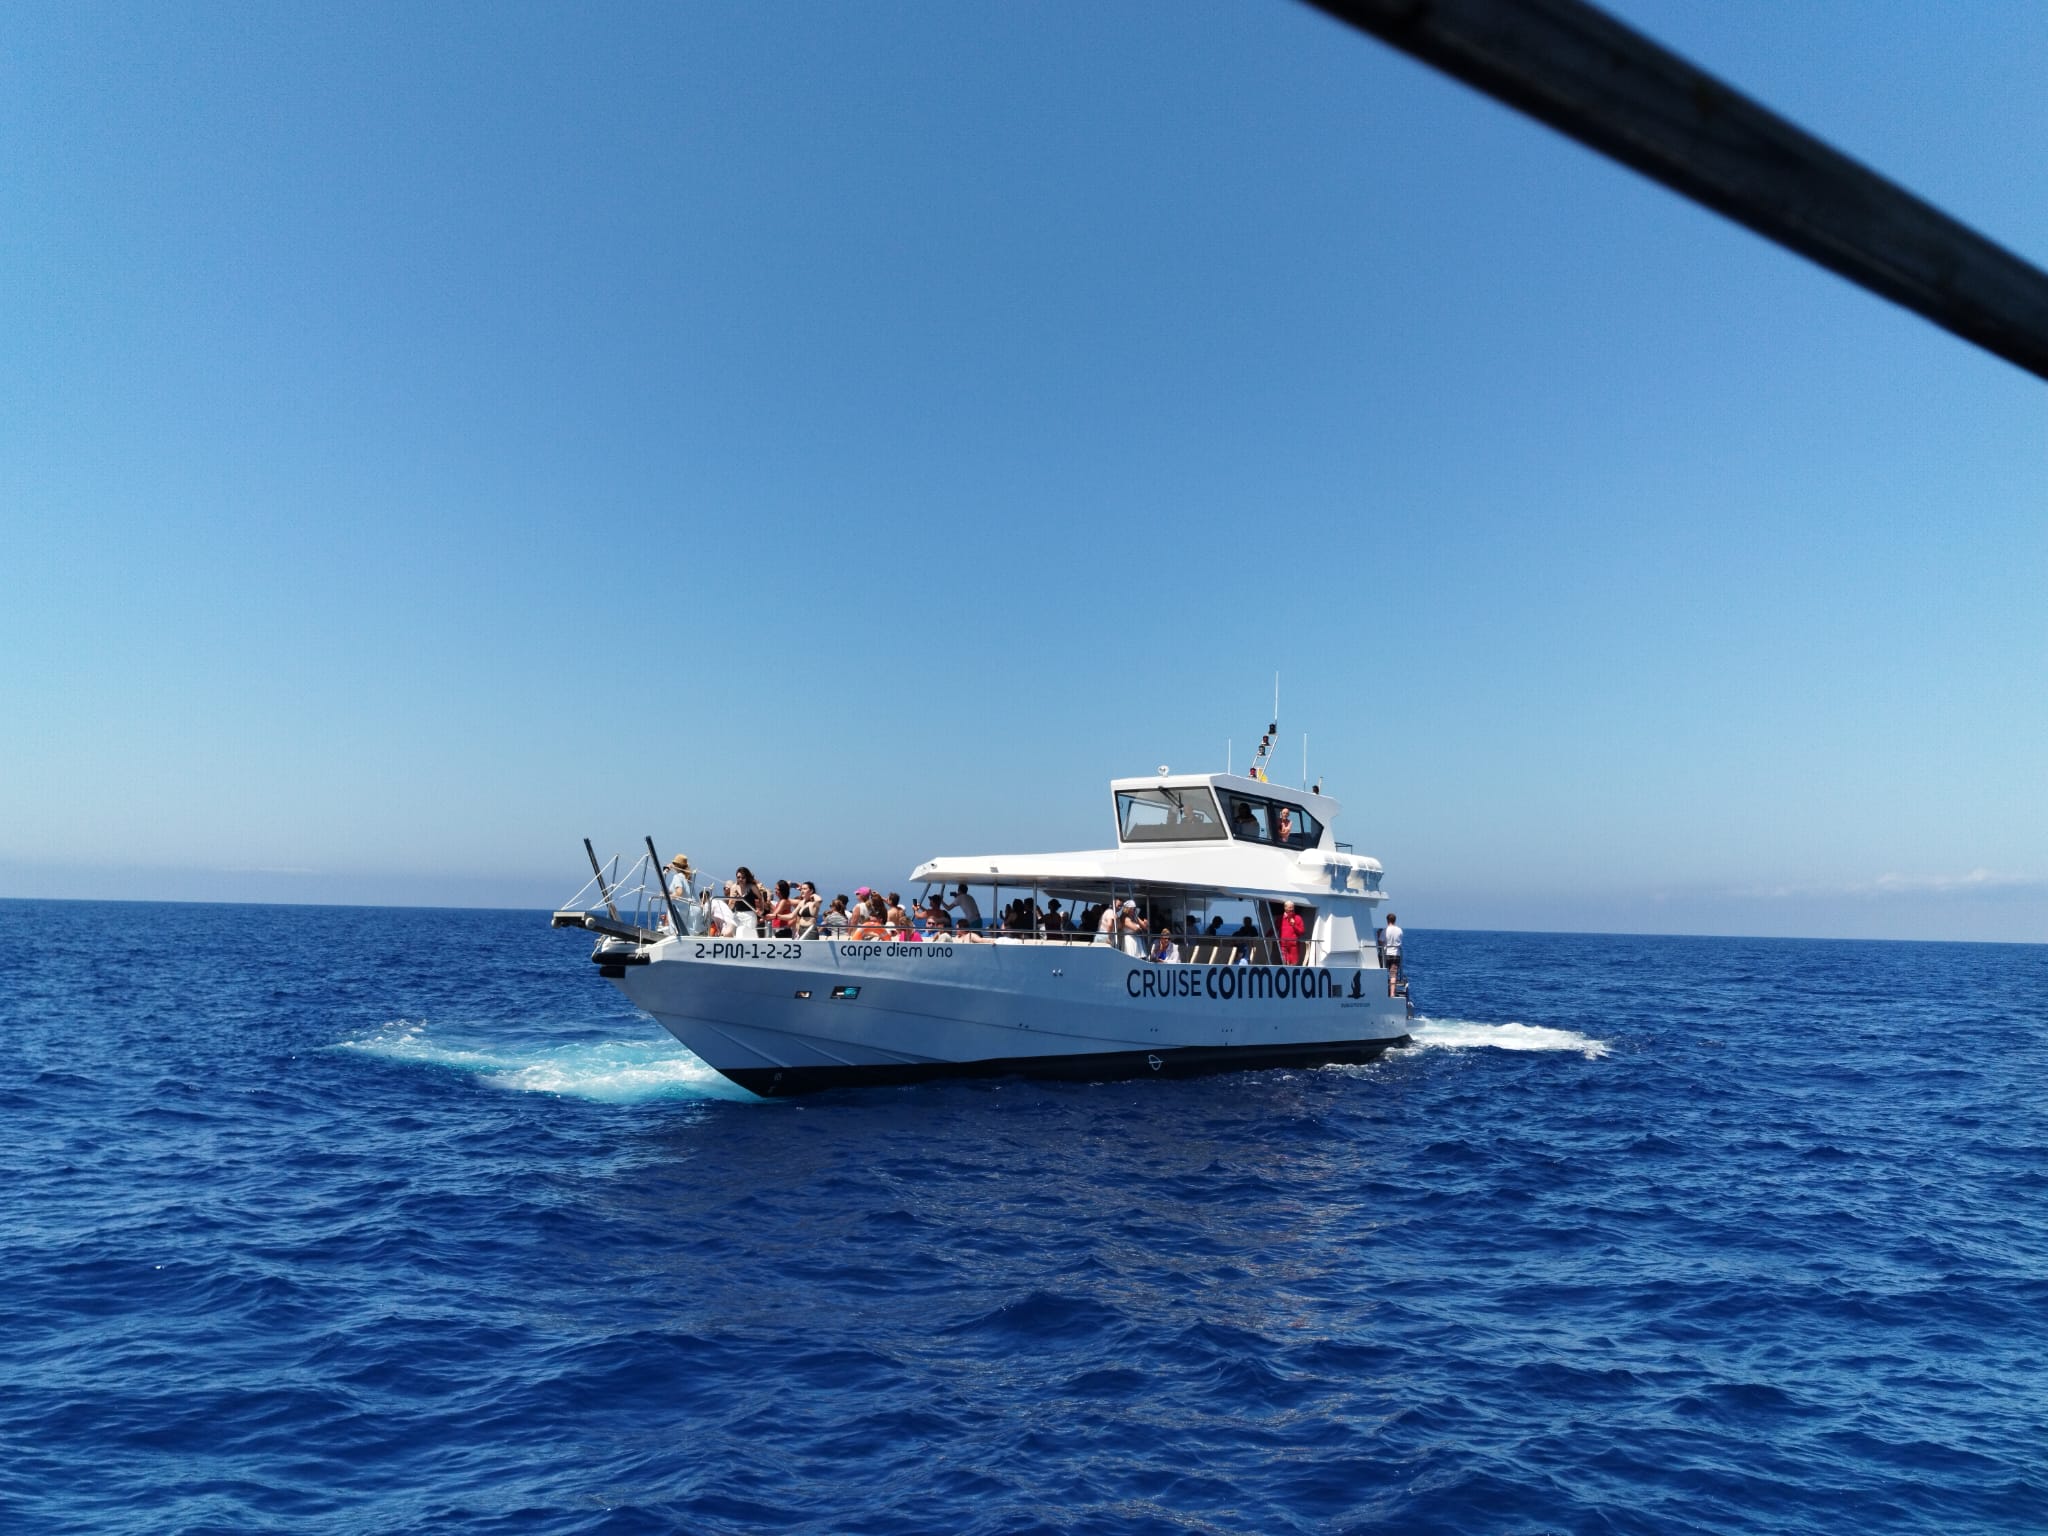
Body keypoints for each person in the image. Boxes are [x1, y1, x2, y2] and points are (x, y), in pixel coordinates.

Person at [1276, 899, 1306, 966]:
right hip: (1283, 946)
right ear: (1285, 908)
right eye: (1290, 907)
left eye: (1292, 907)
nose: (1292, 909)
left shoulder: (1298, 918)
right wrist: (1265, 937)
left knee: (1293, 965)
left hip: (1294, 946)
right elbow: (1274, 929)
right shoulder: (1280, 918)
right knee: (1284, 964)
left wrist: (1294, 925)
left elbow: (1302, 932)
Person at [1382, 912, 1403, 995]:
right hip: (1396, 954)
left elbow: (1380, 942)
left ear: (1387, 920)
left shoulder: (1385, 930)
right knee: (1393, 975)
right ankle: (1392, 994)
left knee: (1383, 972)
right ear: (1395, 920)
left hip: (1386, 953)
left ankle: (1382, 990)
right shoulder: (1399, 930)